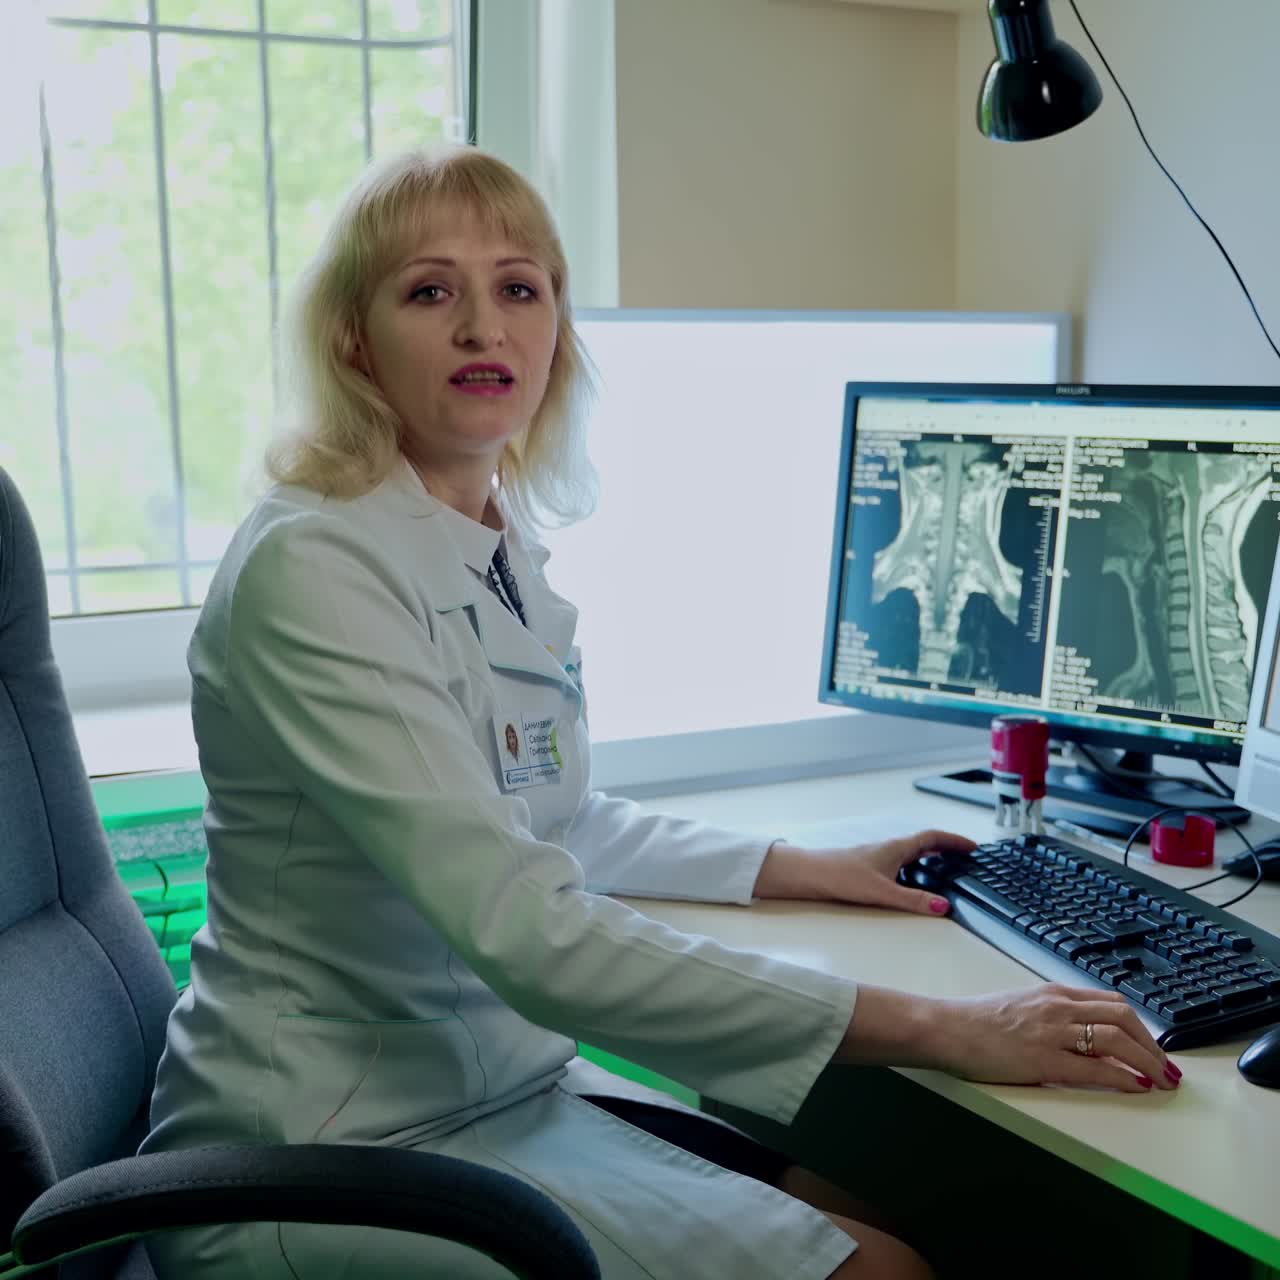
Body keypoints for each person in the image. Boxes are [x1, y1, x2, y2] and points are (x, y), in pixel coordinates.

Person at [139, 144, 1181, 1280]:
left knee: (853, 1206)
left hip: (483, 1084)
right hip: (325, 1141)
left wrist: (805, 863)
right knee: (887, 1271)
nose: (484, 326)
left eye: (519, 288)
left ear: (555, 332)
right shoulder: (319, 566)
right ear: (354, 339)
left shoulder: (485, 544)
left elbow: (556, 820)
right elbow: (528, 925)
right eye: (431, 290)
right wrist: (951, 1025)